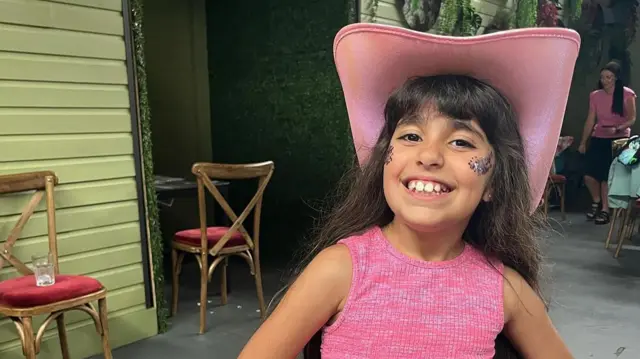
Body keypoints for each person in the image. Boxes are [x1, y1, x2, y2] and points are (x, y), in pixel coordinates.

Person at [239, 24, 579, 359]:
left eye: (460, 142)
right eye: (411, 136)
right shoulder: (339, 270)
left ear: (493, 183)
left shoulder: (503, 289)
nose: (429, 156)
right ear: (384, 161)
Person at [578, 61, 637, 225]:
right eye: (603, 77)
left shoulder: (627, 94)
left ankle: (605, 209)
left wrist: (618, 128)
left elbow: (632, 119)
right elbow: (591, 119)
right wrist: (583, 141)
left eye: (609, 77)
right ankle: (596, 202)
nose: (605, 80)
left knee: (605, 175)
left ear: (616, 78)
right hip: (599, 135)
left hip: (618, 138)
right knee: (589, 175)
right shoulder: (595, 95)